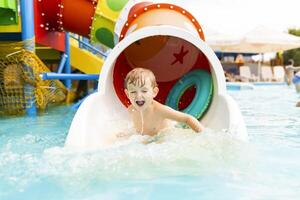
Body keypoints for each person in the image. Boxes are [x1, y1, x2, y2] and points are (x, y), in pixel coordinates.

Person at [122, 68, 204, 137]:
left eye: (144, 91)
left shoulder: (160, 111)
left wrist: (203, 136)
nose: (139, 96)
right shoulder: (131, 110)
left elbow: (187, 119)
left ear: (154, 92)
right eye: (133, 92)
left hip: (167, 138)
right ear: (127, 94)